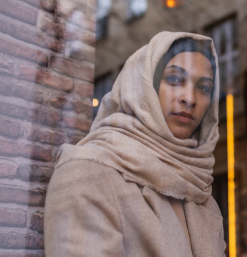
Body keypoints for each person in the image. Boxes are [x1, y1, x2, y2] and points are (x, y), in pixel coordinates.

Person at [44, 32, 225, 256]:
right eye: (175, 79)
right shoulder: (87, 171)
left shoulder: (201, 194)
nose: (190, 98)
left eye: (204, 88)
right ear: (142, 86)